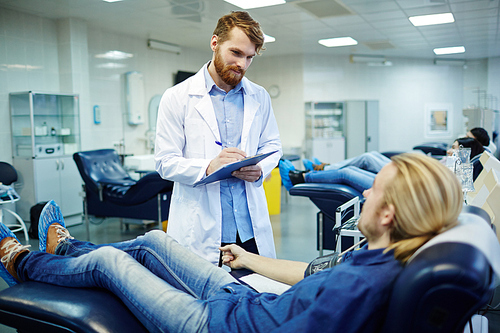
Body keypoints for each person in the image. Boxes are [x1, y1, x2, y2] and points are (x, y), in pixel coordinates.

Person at [0, 153, 463, 332]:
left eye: (374, 189)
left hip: (213, 325)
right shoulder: (378, 255)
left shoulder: (360, 288)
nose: (363, 191)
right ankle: (66, 251)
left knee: (111, 263)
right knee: (154, 242)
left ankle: (24, 261)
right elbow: (307, 275)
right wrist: (248, 260)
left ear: (387, 214)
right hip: (240, 300)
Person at [154, 11, 282, 264]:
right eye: (236, 53)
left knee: (256, 296)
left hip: (249, 229)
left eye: (249, 57)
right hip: (202, 229)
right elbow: (165, 162)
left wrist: (260, 169)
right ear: (215, 43)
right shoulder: (177, 97)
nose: (242, 65)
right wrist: (209, 166)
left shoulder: (260, 96)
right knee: (206, 300)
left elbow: (273, 145)